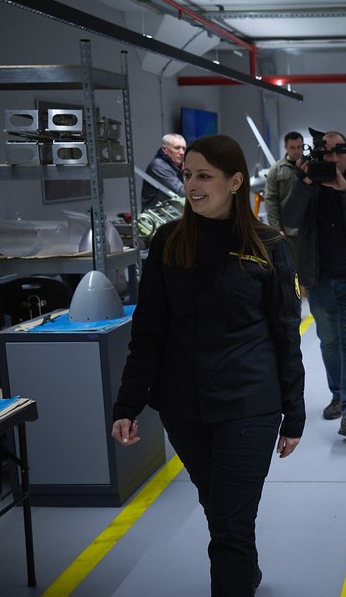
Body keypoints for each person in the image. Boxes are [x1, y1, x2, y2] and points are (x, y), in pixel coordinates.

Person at [111, 134, 305, 596]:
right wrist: (127, 404)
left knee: (230, 522)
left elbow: (285, 334)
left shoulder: (267, 244)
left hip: (248, 405)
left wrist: (293, 413)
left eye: (204, 176)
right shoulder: (168, 243)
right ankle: (246, 572)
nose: (192, 185)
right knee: (221, 511)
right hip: (184, 407)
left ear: (235, 181)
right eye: (187, 175)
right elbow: (148, 331)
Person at [283, 129, 346, 437]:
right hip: (319, 277)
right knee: (329, 340)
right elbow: (289, 219)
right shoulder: (308, 182)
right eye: (327, 152)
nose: (334, 158)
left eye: (340, 151)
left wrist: (345, 187)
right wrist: (305, 183)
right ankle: (338, 395)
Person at [263, 130, 306, 262]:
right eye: (293, 147)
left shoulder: (310, 167)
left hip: (310, 228)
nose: (297, 151)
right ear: (286, 147)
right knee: (291, 267)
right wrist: (276, 229)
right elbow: (271, 201)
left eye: (300, 147)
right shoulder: (276, 170)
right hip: (288, 231)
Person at [140, 133, 186, 209]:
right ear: (165, 150)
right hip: (156, 217)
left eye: (184, 149)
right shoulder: (158, 166)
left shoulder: (178, 166)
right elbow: (182, 192)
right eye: (177, 148)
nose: (182, 153)